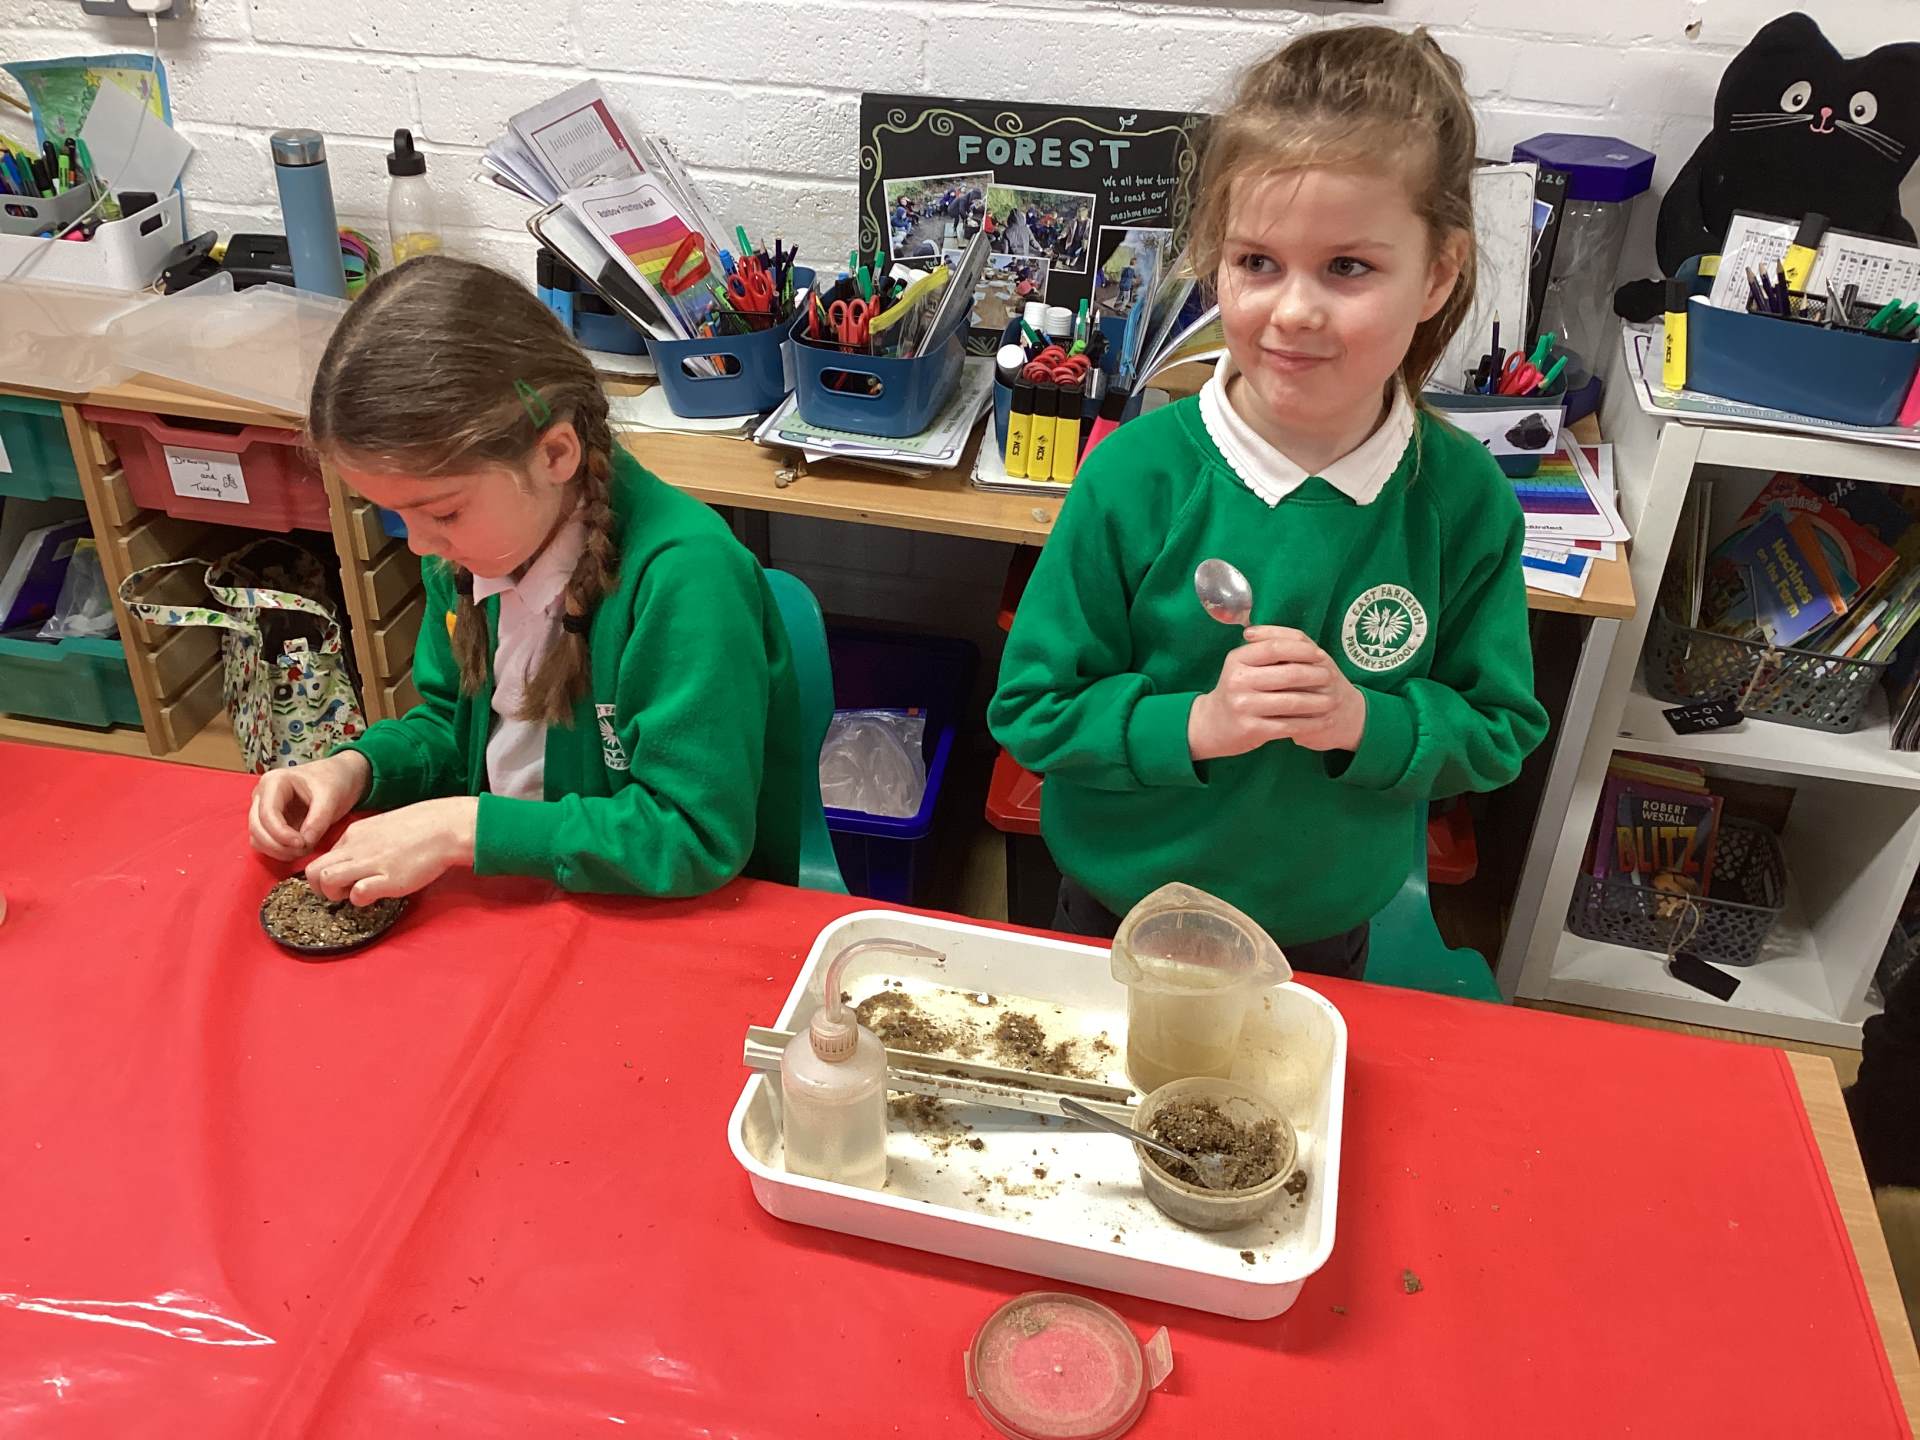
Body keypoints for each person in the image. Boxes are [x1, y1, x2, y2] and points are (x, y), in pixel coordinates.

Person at [989, 26, 1548, 978]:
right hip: (1118, 907)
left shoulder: (1461, 500)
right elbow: (1034, 709)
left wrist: (1366, 723)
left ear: (1438, 274)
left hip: (1318, 931)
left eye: (1348, 267)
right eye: (1257, 262)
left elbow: (1498, 732)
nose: (1292, 310)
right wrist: (1196, 725)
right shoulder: (1135, 474)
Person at [248, 255, 805, 902]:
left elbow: (692, 836)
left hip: (671, 915)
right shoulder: (470, 555)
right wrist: (355, 769)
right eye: (395, 512)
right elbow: (453, 730)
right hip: (531, 894)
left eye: (443, 512)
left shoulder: (686, 579)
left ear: (556, 454)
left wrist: (465, 828)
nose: (420, 544)